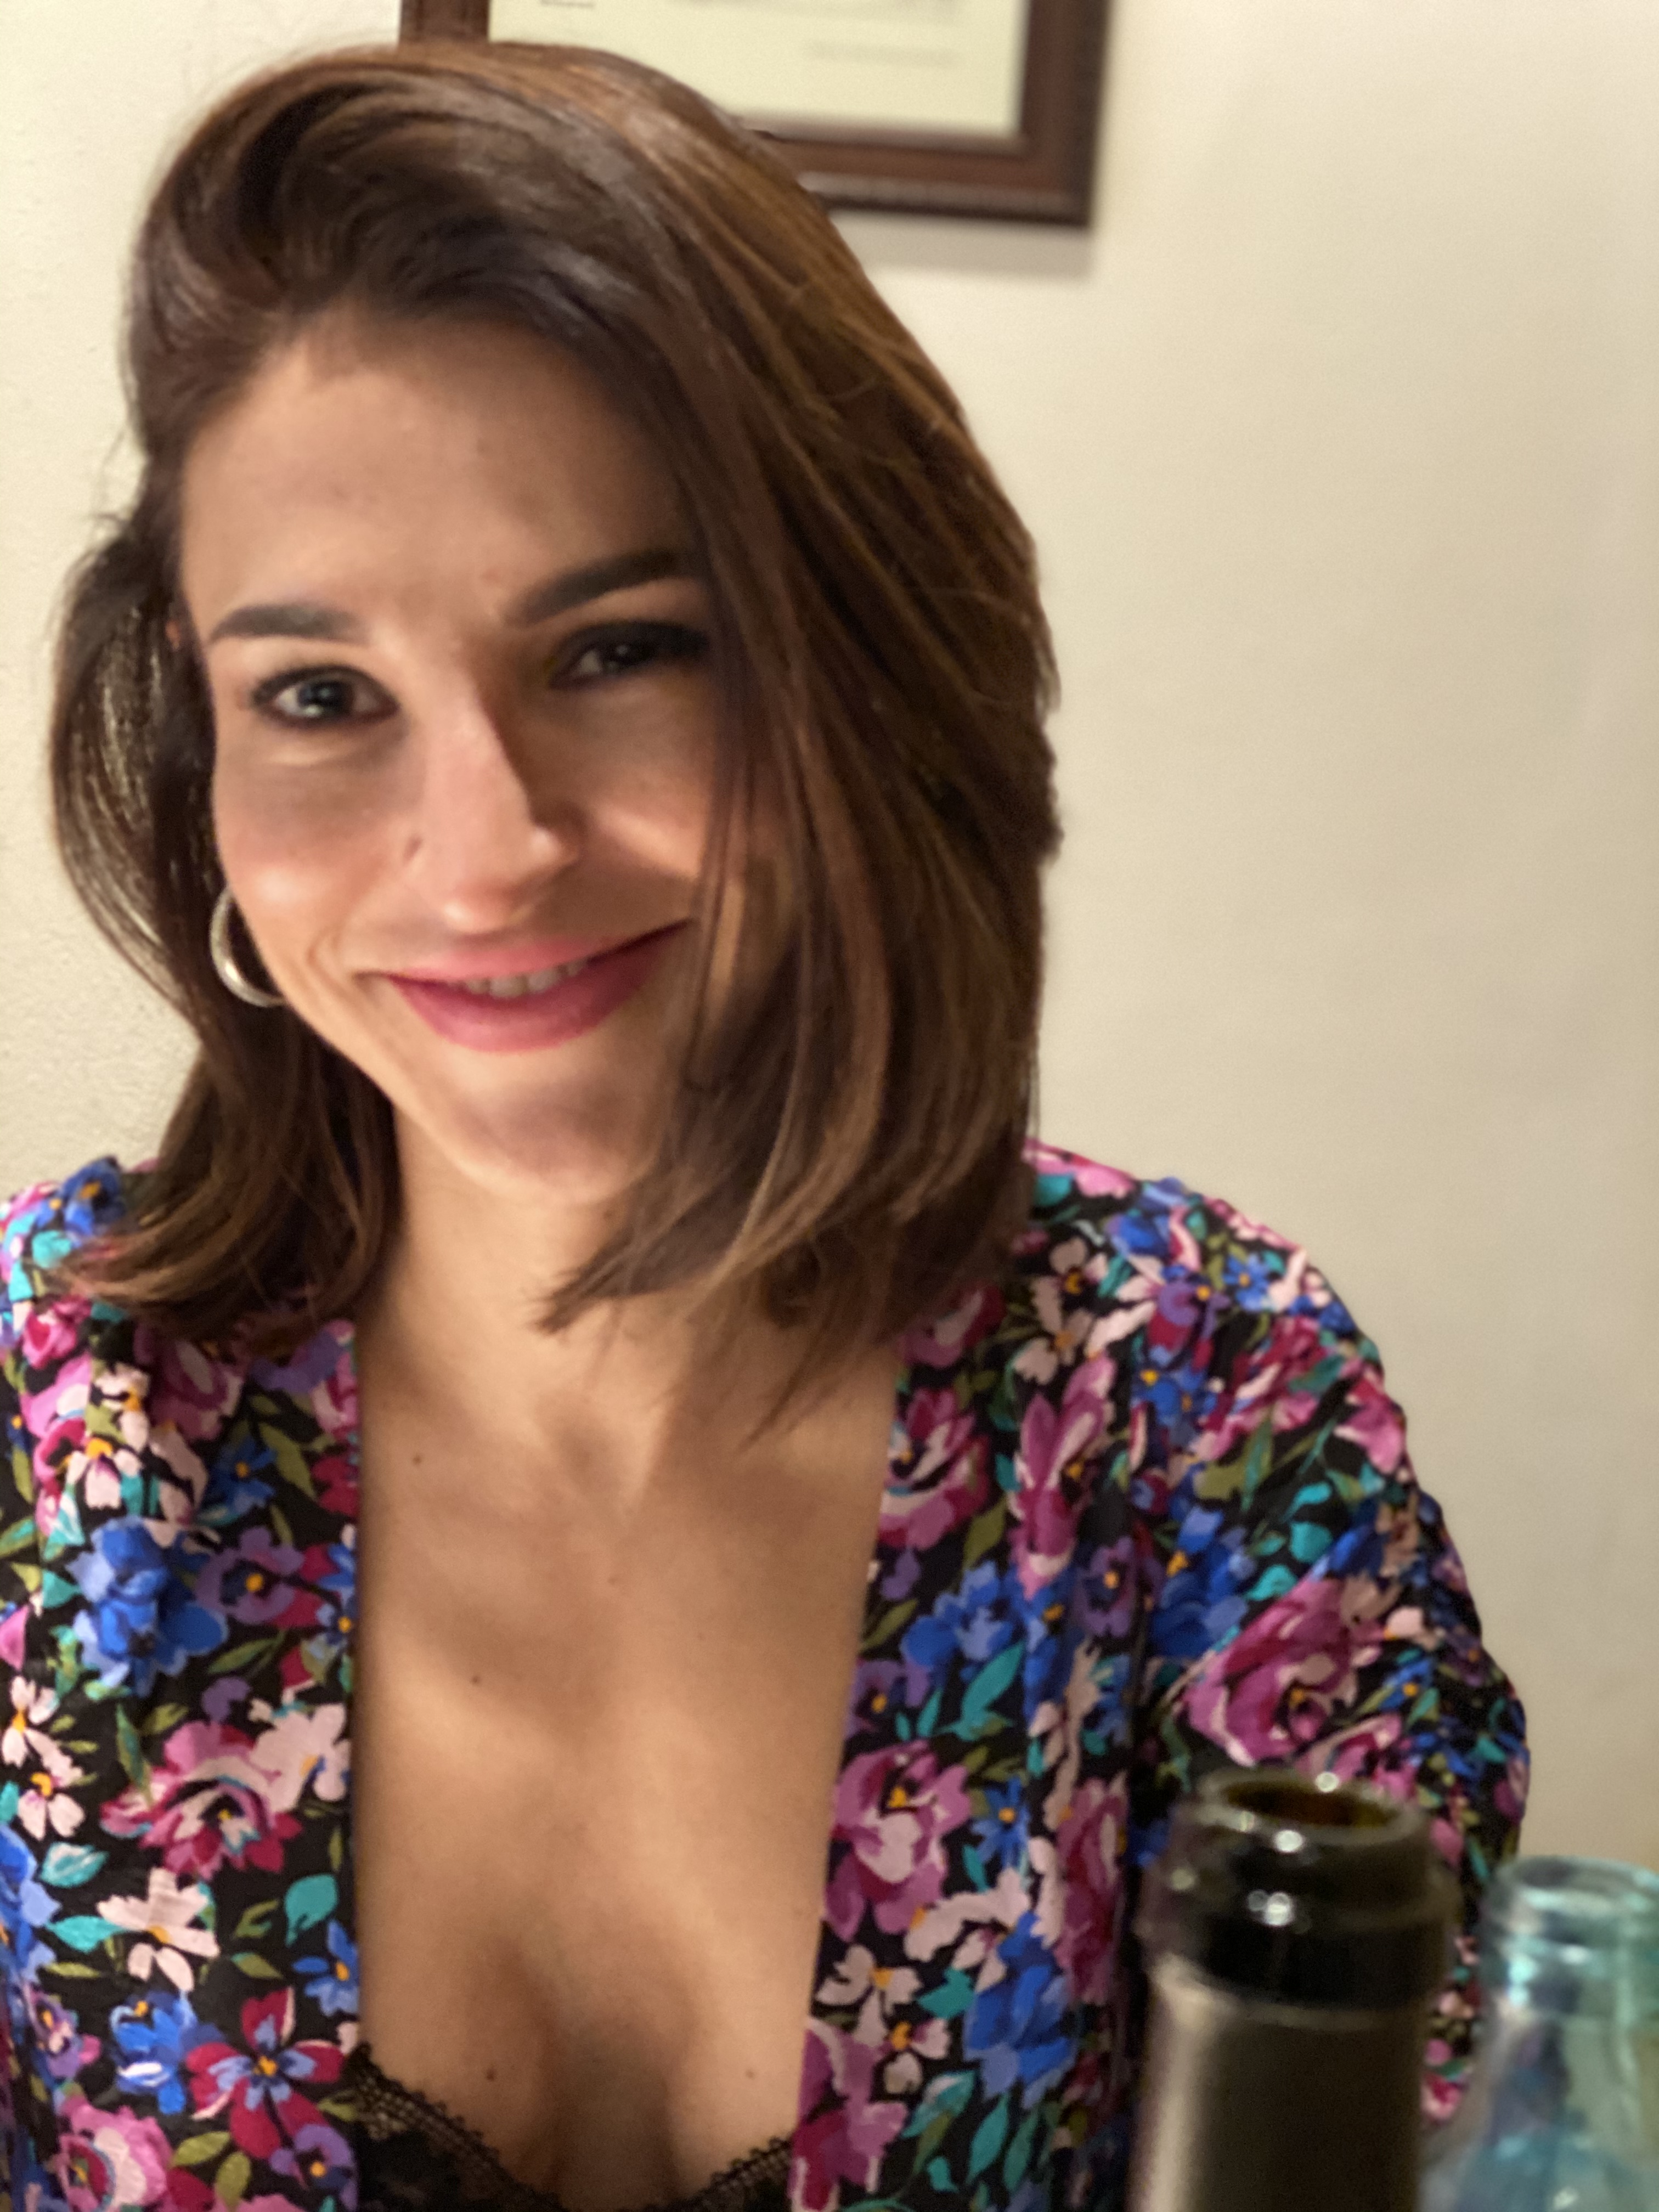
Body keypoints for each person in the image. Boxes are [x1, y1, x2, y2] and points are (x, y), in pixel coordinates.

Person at [0, 38, 1526, 2212]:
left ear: (863, 675)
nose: (485, 857)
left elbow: (1428, 2139)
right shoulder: (46, 1423)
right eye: (321, 696)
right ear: (196, 734)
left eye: (620, 651)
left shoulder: (1198, 1403)